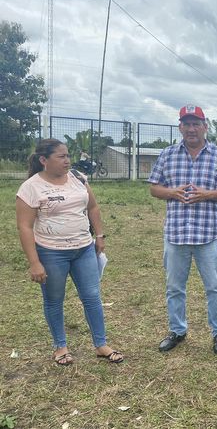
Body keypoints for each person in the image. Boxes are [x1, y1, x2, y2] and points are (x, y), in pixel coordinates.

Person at [15, 138, 123, 365]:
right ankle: (60, 347)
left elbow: (92, 207)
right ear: (44, 160)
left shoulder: (78, 177)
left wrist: (99, 236)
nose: (67, 160)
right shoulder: (31, 188)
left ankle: (101, 345)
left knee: (92, 297)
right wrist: (34, 262)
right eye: (61, 156)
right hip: (51, 252)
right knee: (54, 300)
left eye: (68, 155)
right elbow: (24, 227)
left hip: (83, 249)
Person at [149, 104, 217, 355]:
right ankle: (177, 330)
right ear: (180, 127)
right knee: (174, 287)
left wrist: (207, 195)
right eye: (186, 124)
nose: (191, 129)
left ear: (204, 127)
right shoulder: (167, 154)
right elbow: (154, 188)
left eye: (196, 124)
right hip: (176, 234)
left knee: (215, 287)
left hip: (208, 234)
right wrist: (172, 192)